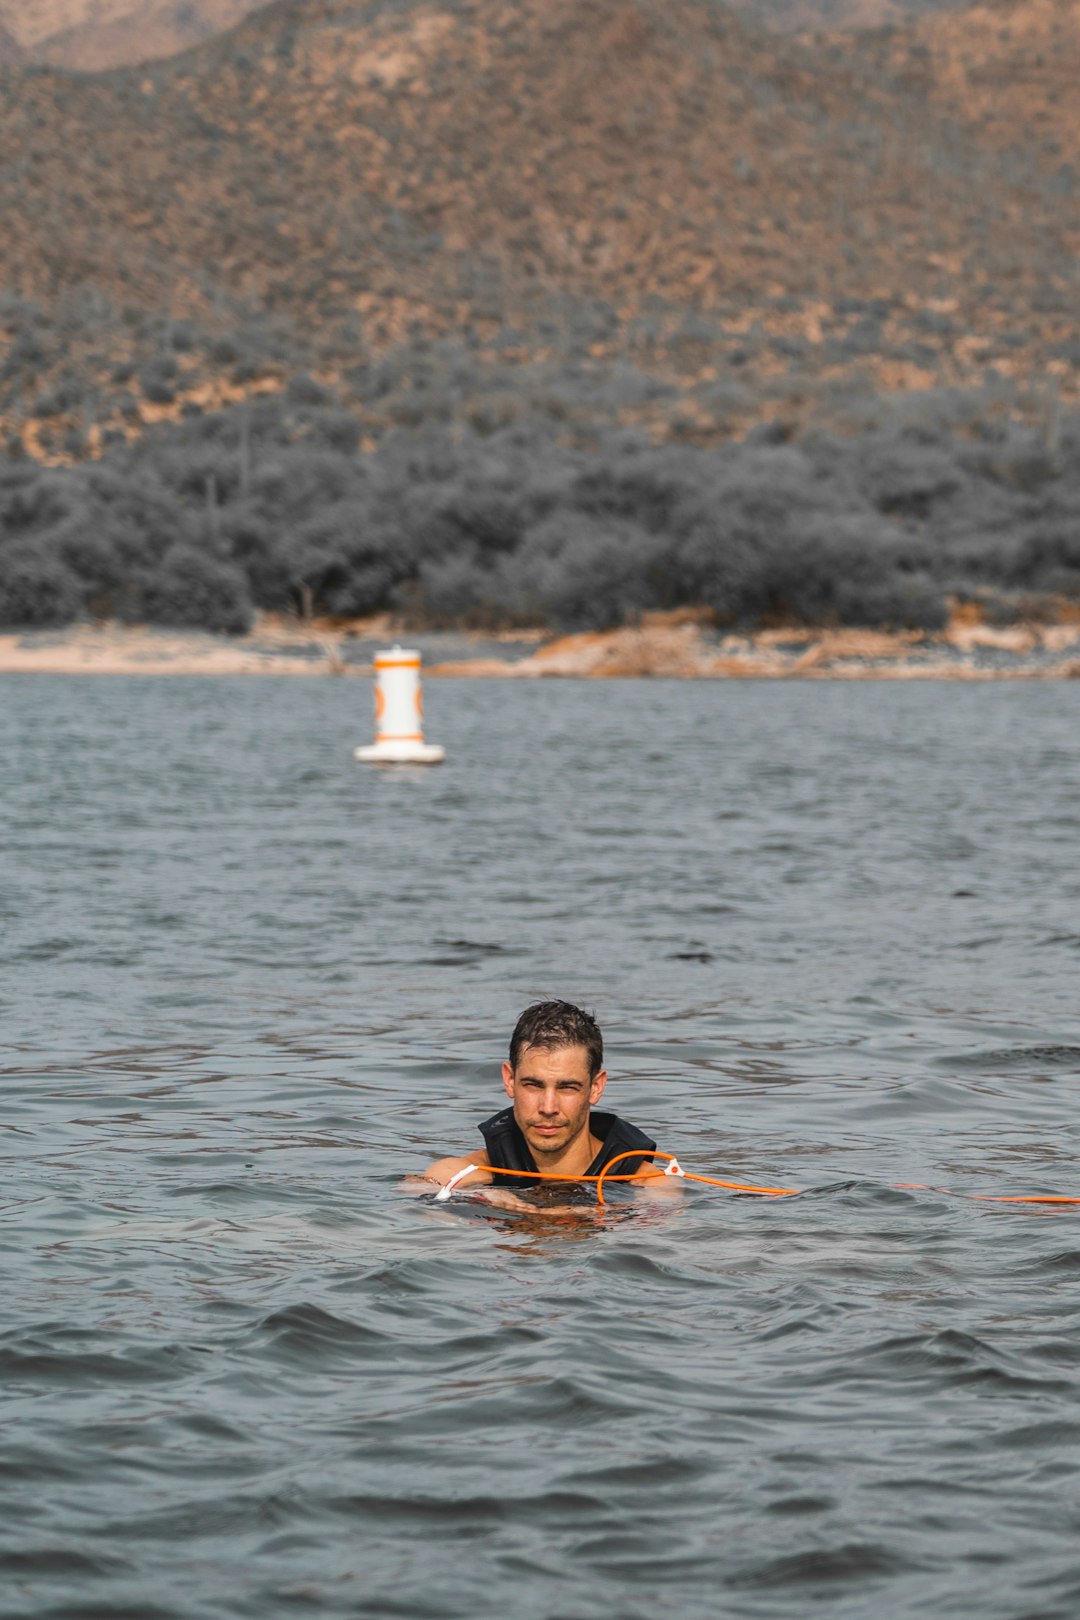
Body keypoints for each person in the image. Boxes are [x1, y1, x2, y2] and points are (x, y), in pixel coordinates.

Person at [419, 1000, 671, 1204]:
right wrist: (480, 1197)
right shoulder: (468, 1174)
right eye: (533, 1085)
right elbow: (412, 1196)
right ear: (509, 1080)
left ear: (596, 1087)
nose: (548, 1107)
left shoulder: (648, 1184)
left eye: (567, 1087)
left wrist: (555, 1216)